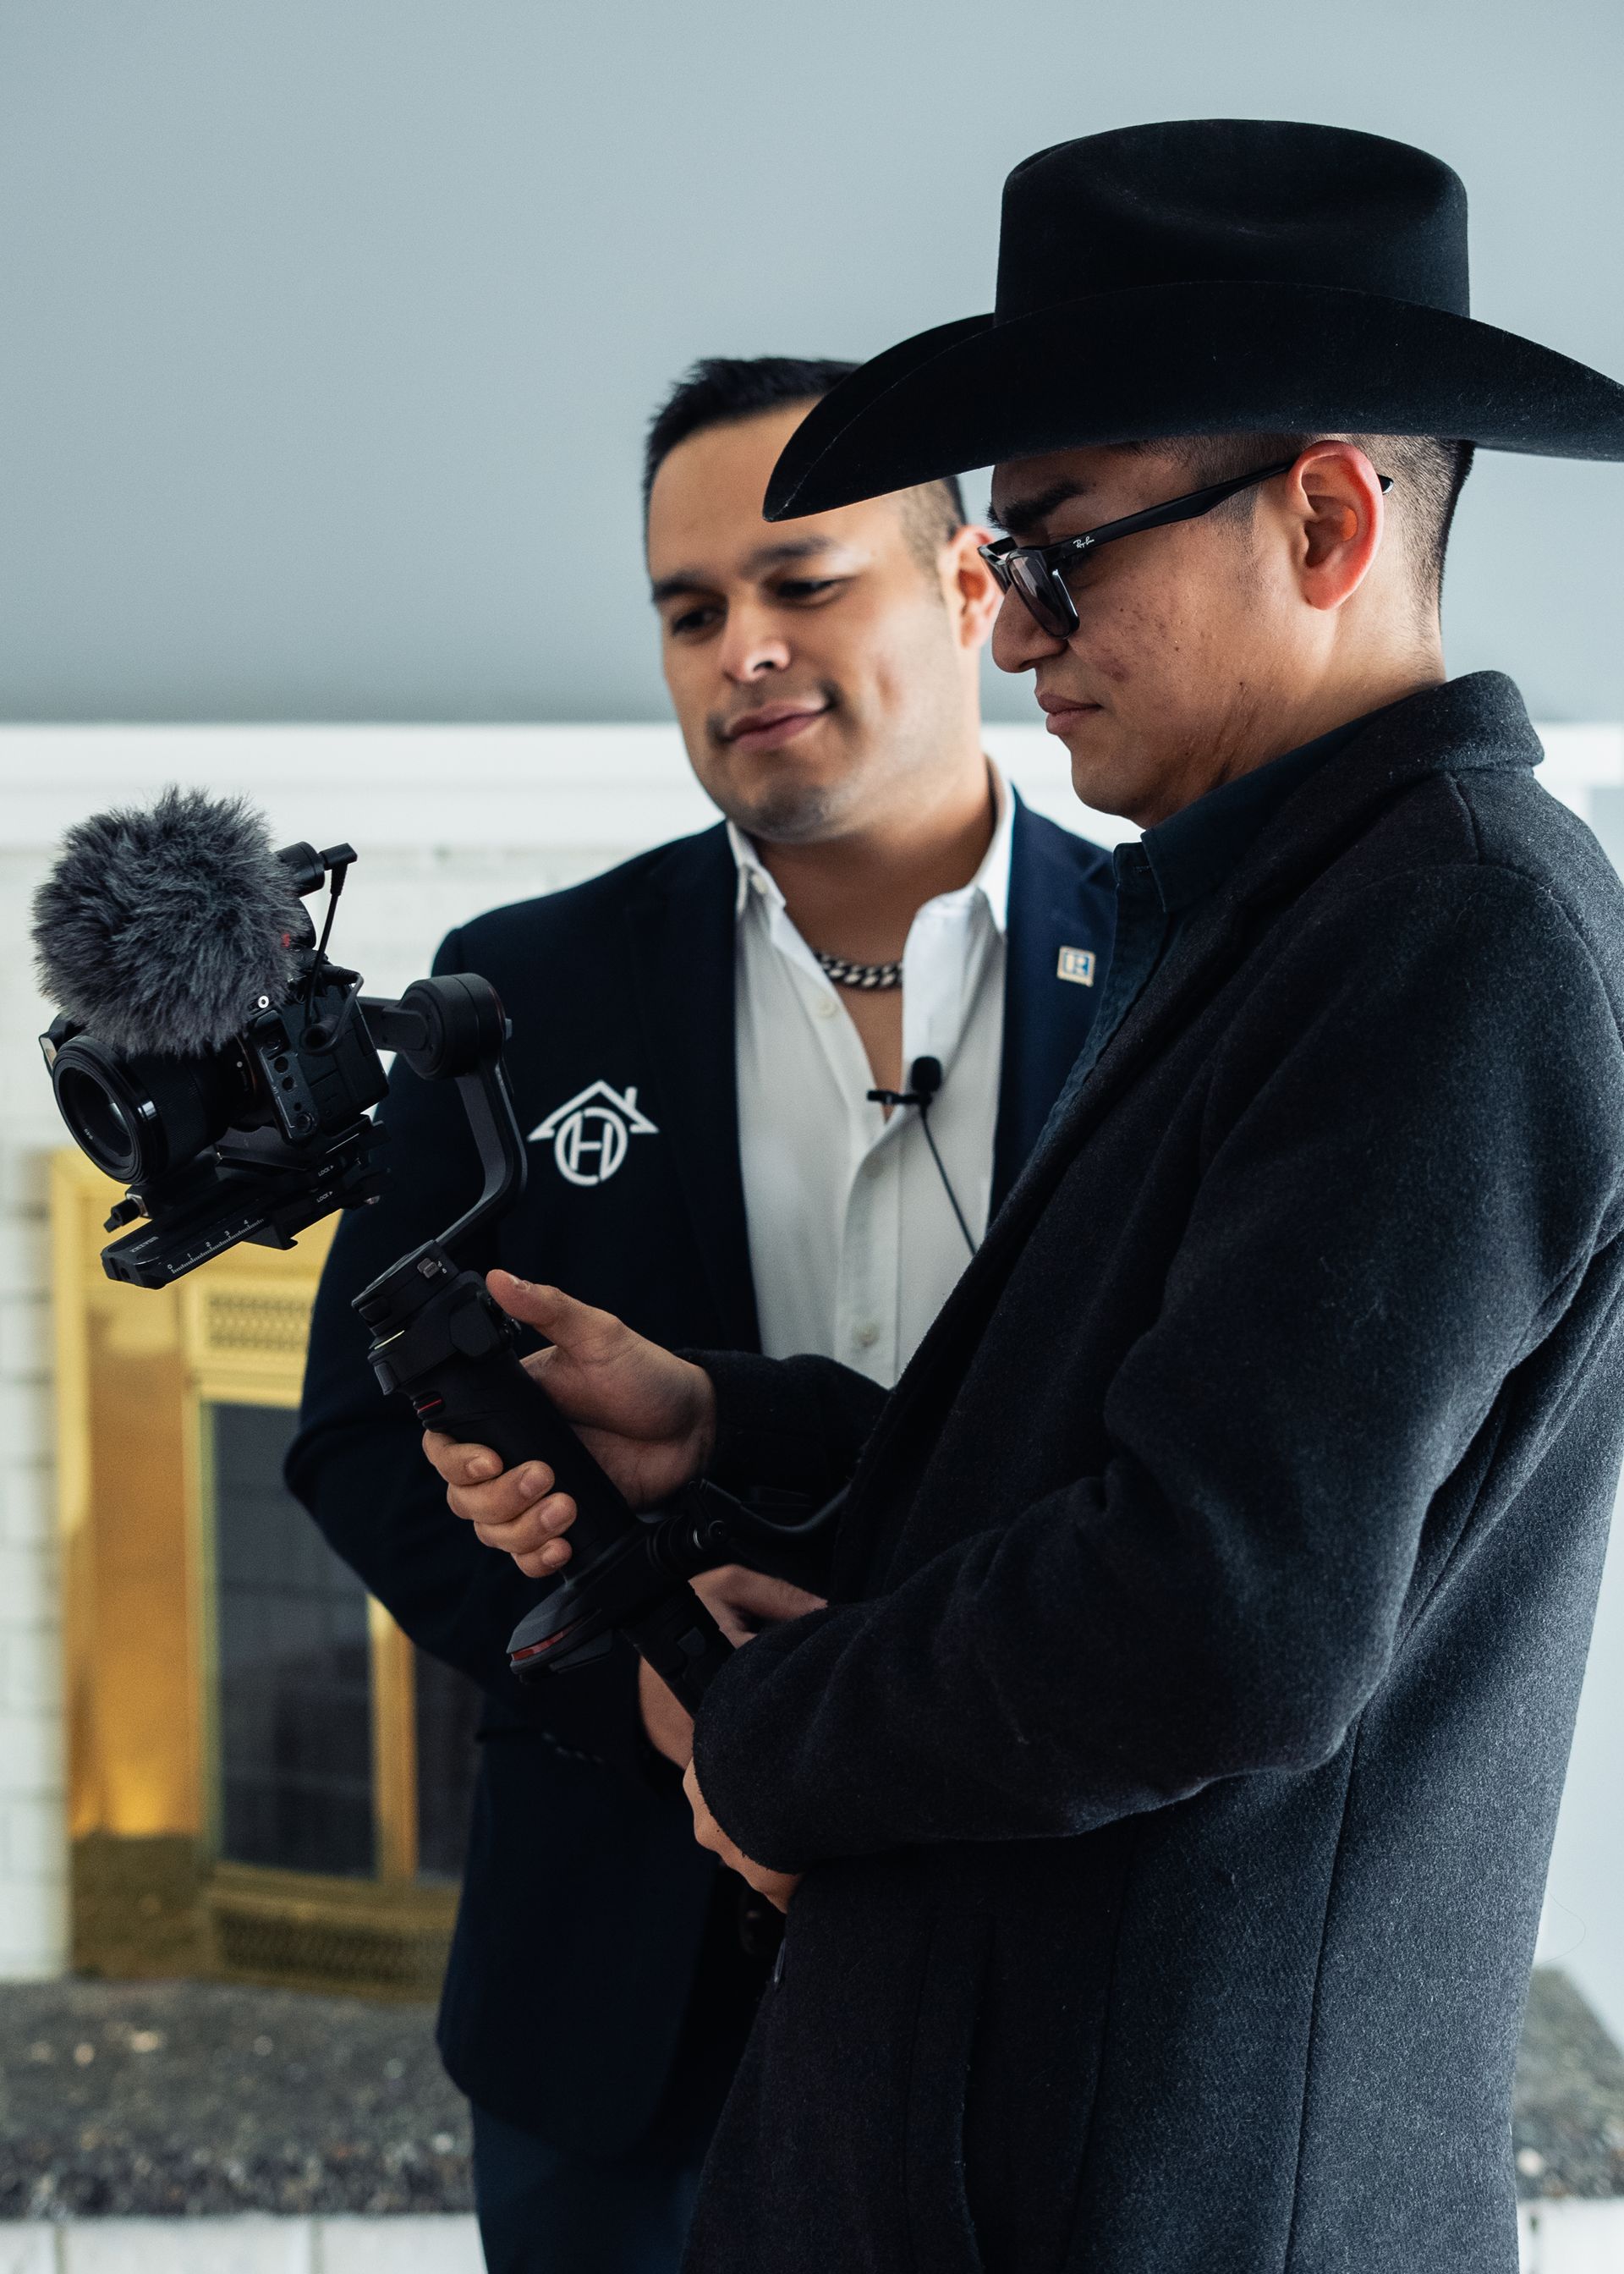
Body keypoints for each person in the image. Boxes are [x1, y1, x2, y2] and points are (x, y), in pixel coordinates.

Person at [426, 122, 1624, 2272]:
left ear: (1327, 519)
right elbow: (1115, 1469)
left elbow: (1218, 1617)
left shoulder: (1453, 936)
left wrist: (765, 1747)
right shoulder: (1289, 907)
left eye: (1061, 557)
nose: (1013, 637)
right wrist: (728, 1426)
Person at [287, 353, 1115, 2272]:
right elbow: (354, 1434)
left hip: (1062, 1979)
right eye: (689, 610)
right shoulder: (519, 987)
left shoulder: (1186, 966)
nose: (743, 647)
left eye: (802, 581)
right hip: (618, 2010)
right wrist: (637, 1683)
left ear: (970, 588)